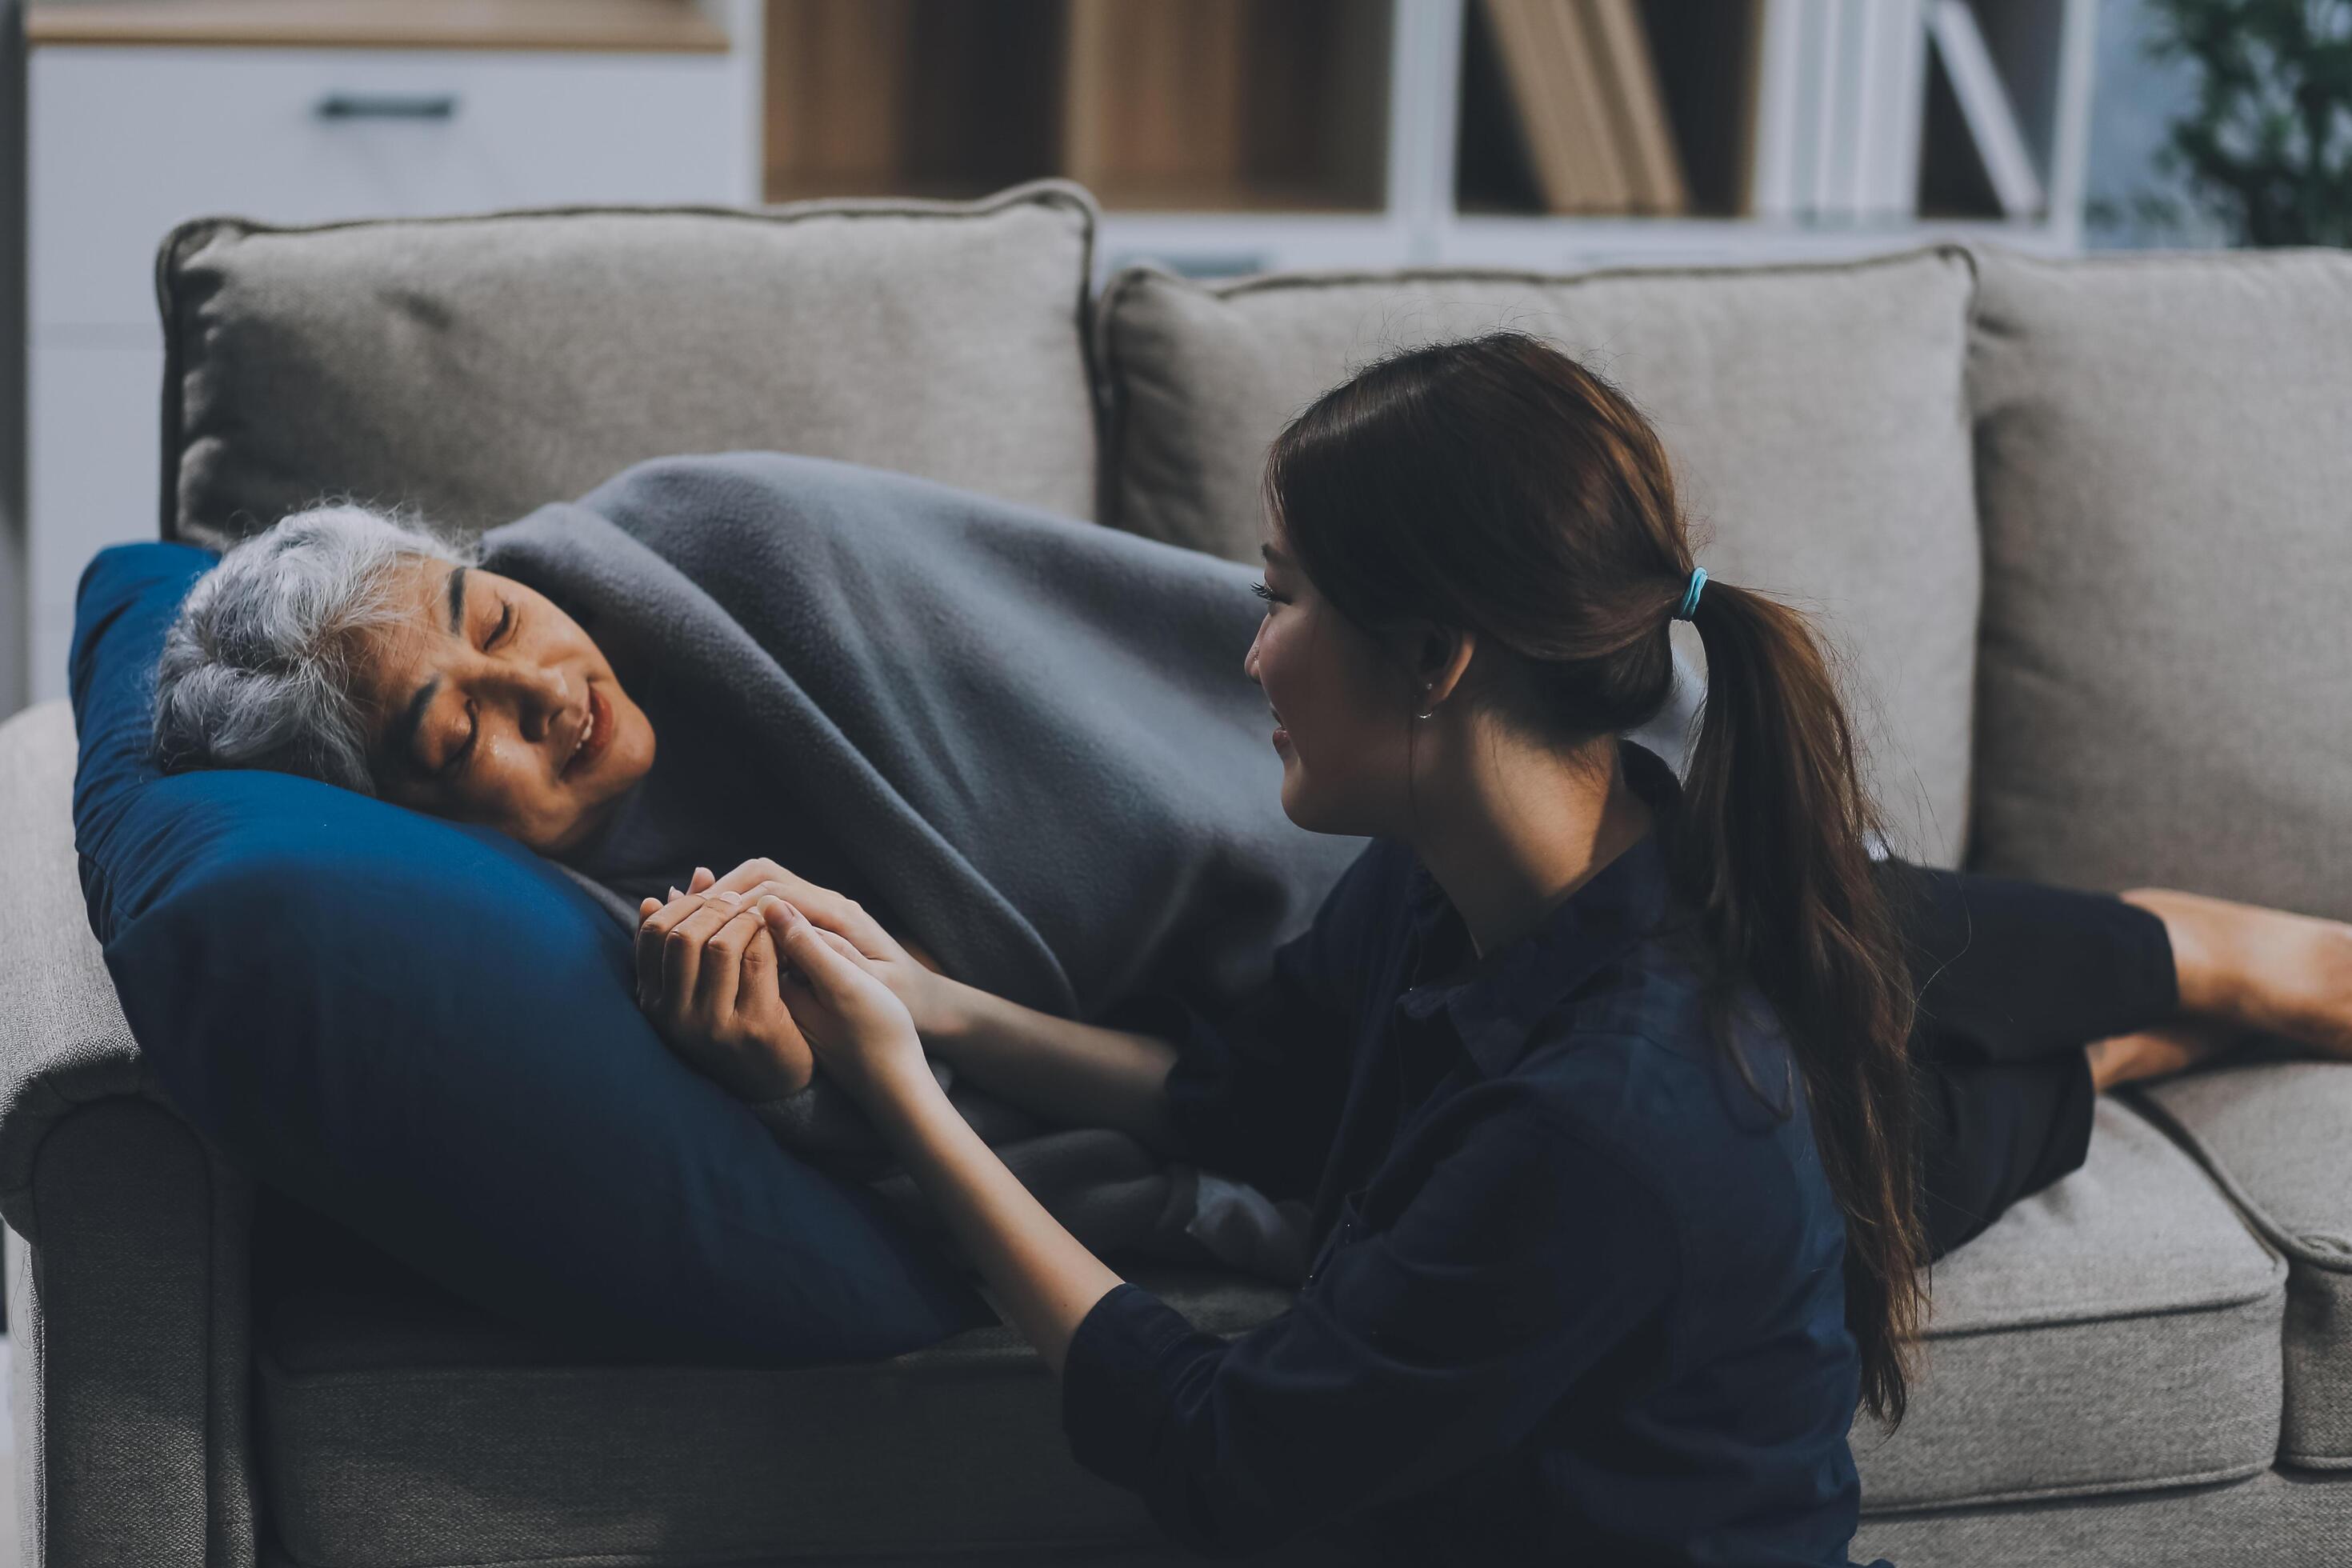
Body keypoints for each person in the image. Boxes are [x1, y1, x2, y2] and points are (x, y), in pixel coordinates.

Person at [149, 337, 2352, 1563]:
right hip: (1584, 977)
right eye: (464, 731)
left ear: (1420, 659)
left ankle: (2248, 990)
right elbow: (1241, 1104)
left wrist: (911, 1081)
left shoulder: (1604, 1115)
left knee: (2183, 974)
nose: (1237, 643)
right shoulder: (1441, 916)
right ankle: (2161, 1029)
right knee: (2004, 1045)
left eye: (1280, 597)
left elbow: (1229, 1444)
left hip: (1622, 975)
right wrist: (893, 1028)